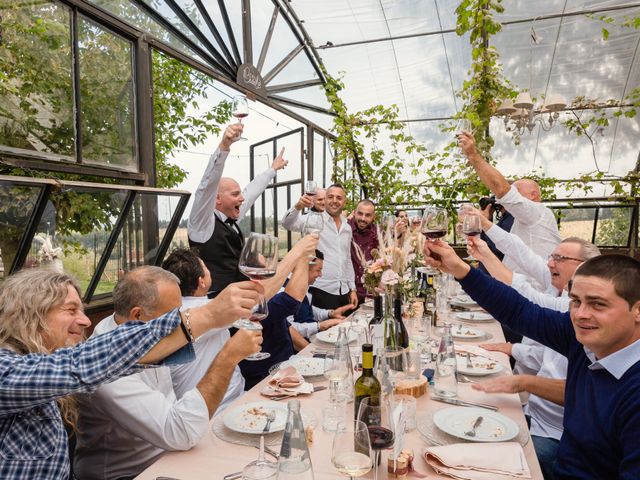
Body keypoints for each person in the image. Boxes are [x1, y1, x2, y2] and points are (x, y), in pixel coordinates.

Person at [0, 268, 261, 480]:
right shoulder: (5, 371)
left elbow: (121, 362)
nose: (85, 321)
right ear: (31, 315)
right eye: (71, 310)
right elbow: (79, 365)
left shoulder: (57, 362)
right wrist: (208, 320)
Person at [424, 241, 640, 479]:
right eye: (576, 301)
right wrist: (459, 269)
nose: (581, 314)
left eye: (598, 304)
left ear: (637, 310)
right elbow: (519, 311)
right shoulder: (582, 339)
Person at [188, 123, 288, 294]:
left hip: (240, 296)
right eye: (235, 194)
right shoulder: (201, 223)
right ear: (216, 198)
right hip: (214, 301)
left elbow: (251, 193)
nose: (241, 198)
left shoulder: (230, 218)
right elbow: (207, 186)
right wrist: (224, 146)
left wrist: (272, 170)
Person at [458, 132, 561, 280]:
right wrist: (484, 221)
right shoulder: (520, 221)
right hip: (515, 288)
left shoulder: (538, 213)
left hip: (533, 292)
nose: (502, 199)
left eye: (516, 191)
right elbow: (504, 245)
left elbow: (503, 191)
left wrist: (473, 155)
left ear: (533, 195)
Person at [161, 248, 244, 407]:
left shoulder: (167, 314)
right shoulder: (205, 311)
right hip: (223, 407)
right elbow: (262, 296)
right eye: (206, 268)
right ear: (202, 281)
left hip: (190, 406)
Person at [239, 257, 313, 389]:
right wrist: (303, 257)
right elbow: (291, 300)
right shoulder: (249, 304)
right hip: (266, 380)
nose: (269, 271)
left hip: (287, 368)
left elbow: (286, 327)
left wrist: (310, 354)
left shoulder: (265, 299)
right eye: (262, 268)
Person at [281, 184, 357, 310]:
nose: (334, 201)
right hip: (319, 289)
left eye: (339, 198)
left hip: (343, 292)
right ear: (325, 199)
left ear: (344, 202)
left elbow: (347, 259)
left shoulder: (347, 228)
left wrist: (352, 288)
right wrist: (298, 206)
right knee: (322, 328)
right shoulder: (313, 219)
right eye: (330, 197)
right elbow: (287, 224)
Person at [287, 249, 352, 339]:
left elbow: (307, 309)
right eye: (318, 270)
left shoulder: (304, 285)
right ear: (304, 268)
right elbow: (289, 328)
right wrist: (319, 326)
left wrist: (330, 313)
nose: (320, 275)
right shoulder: (285, 290)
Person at [349, 199, 379, 303]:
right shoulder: (345, 229)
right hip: (348, 293)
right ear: (354, 213)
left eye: (367, 215)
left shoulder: (378, 233)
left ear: (373, 217)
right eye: (360, 213)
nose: (363, 218)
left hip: (370, 295)